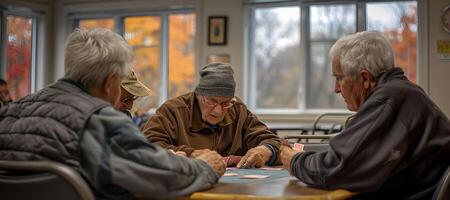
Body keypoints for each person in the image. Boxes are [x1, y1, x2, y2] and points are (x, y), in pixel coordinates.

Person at [0, 28, 225, 200]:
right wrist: (205, 166)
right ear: (110, 83)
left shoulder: (9, 112)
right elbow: (162, 177)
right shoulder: (99, 120)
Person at [280, 31, 450, 199]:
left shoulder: (387, 100)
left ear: (365, 78)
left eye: (339, 78)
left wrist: (295, 162)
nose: (336, 89)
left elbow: (338, 169)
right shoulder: (403, 92)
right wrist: (298, 150)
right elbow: (348, 152)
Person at [142, 62, 281, 168]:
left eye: (225, 103)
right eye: (212, 102)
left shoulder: (238, 110)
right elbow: (147, 145)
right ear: (198, 95)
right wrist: (191, 154)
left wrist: (265, 150)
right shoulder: (173, 111)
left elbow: (272, 141)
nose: (218, 111)